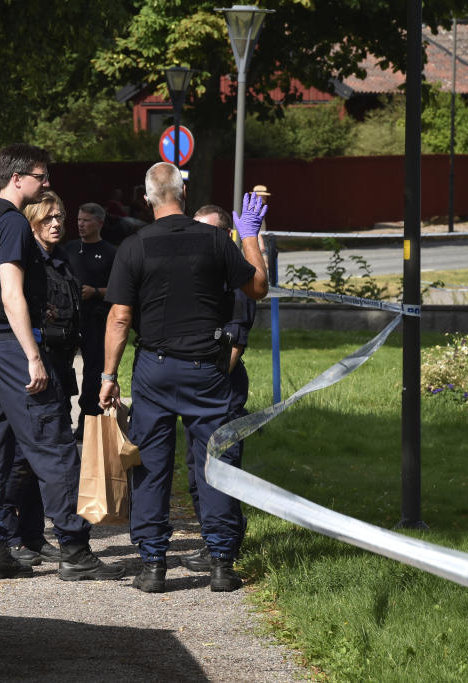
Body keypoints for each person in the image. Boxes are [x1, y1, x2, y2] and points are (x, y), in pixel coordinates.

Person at [0, 143, 124, 582]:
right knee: (53, 444)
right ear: (17, 179)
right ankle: (74, 549)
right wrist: (34, 356)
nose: (46, 183)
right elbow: (11, 291)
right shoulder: (12, 223)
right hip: (14, 347)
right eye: (40, 176)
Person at [99, 162, 268, 593]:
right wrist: (249, 233)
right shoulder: (216, 240)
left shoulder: (133, 247)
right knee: (214, 462)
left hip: (154, 369)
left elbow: (119, 318)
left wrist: (108, 375)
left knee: (152, 466)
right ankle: (221, 564)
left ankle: (154, 565)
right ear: (183, 195)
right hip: (207, 369)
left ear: (148, 199)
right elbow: (257, 288)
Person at [177, 204, 258, 573]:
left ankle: (224, 546)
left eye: (205, 232)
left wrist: (206, 386)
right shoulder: (198, 274)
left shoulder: (233, 282)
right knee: (197, 470)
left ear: (226, 237)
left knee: (219, 469)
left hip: (220, 393)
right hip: (198, 391)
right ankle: (215, 540)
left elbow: (234, 348)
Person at [4, 191, 79, 567]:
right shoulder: (28, 262)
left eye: (60, 217)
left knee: (38, 462)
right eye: (48, 217)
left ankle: (33, 535)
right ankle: (8, 536)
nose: (56, 223)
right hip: (30, 369)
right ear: (32, 221)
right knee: (21, 458)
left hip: (58, 368)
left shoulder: (59, 262)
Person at [64, 203, 117, 440]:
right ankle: (62, 418)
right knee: (62, 368)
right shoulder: (68, 249)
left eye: (86, 220)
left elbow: (119, 290)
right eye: (78, 220)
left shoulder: (111, 253)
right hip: (69, 319)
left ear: (99, 223)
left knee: (94, 371)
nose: (80, 224)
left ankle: (89, 422)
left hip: (97, 320)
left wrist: (95, 291)